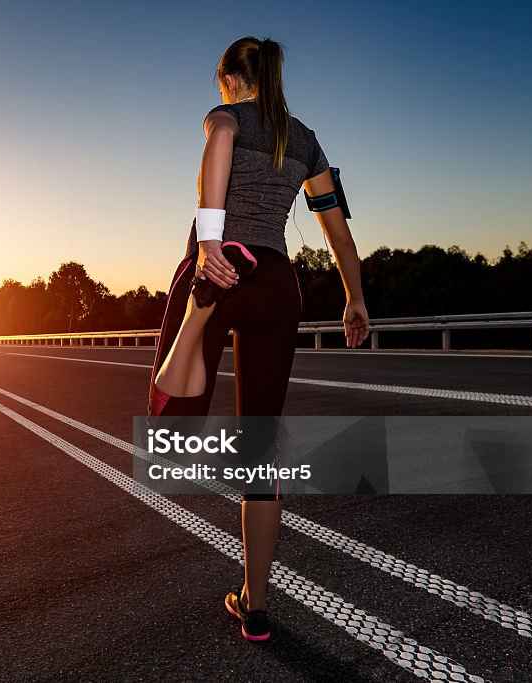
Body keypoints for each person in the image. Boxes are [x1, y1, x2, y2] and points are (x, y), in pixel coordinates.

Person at [146, 35, 370, 641]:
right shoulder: (306, 139)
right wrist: (355, 297)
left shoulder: (227, 116)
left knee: (170, 417)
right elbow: (339, 235)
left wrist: (210, 244)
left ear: (227, 78)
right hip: (275, 280)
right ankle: (257, 603)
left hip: (220, 268)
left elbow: (220, 136)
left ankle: (197, 314)